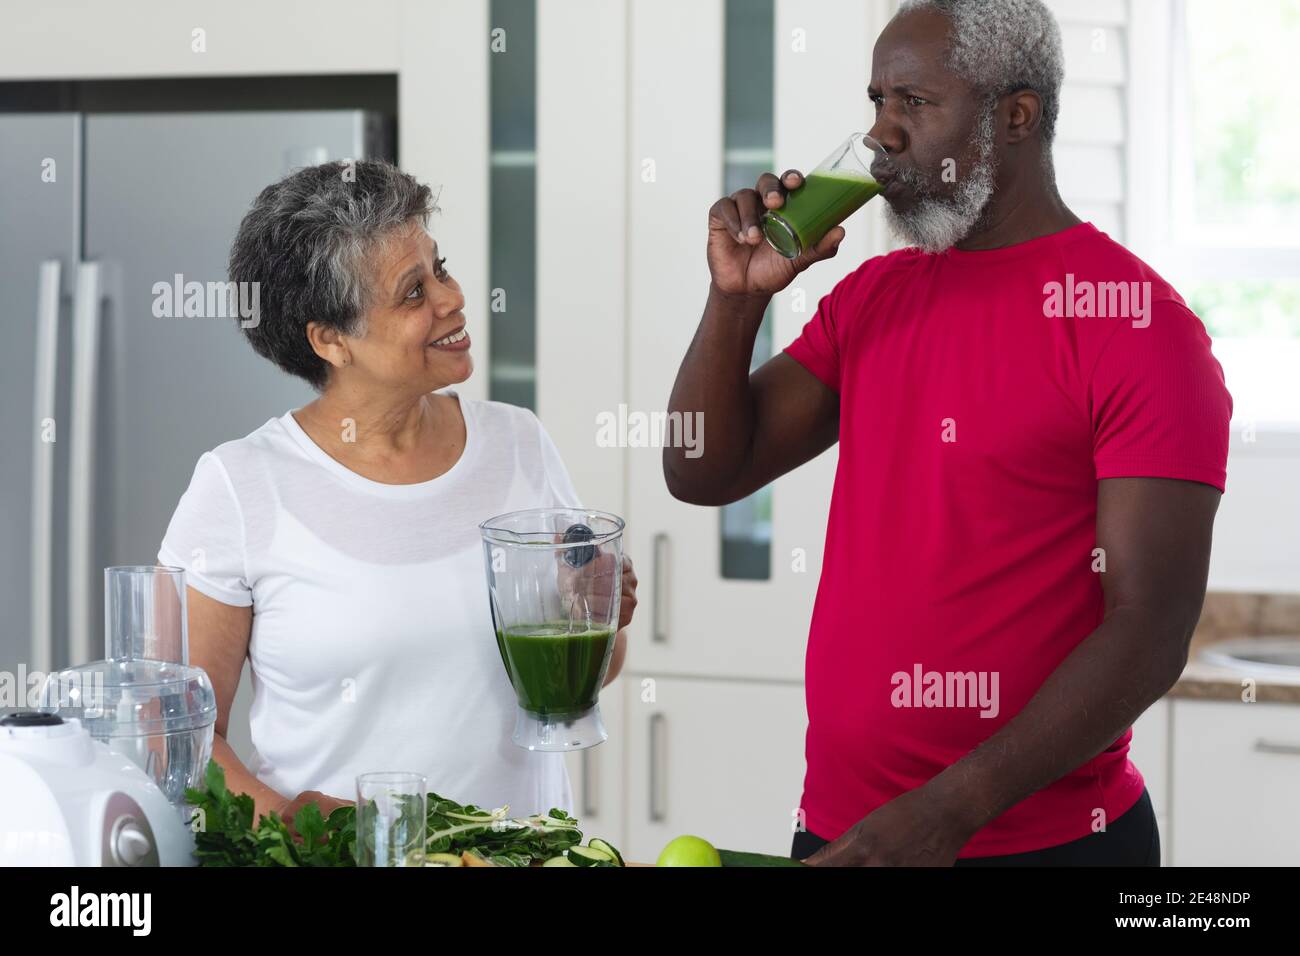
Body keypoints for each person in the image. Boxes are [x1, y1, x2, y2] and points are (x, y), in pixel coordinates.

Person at [664, 0, 1229, 865]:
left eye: (914, 104)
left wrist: (946, 811)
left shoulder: (1139, 327)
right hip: (850, 834)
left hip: (1038, 846)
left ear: (1016, 114)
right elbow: (703, 471)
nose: (882, 135)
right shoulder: (876, 297)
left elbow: (1150, 630)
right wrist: (736, 301)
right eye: (876, 104)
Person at [159, 160, 637, 829]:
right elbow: (176, 737)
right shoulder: (241, 487)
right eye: (413, 293)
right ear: (330, 340)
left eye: (440, 268)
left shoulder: (518, 443)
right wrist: (305, 828)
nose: (452, 298)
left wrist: (600, 617)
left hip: (523, 849)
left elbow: (582, 677)